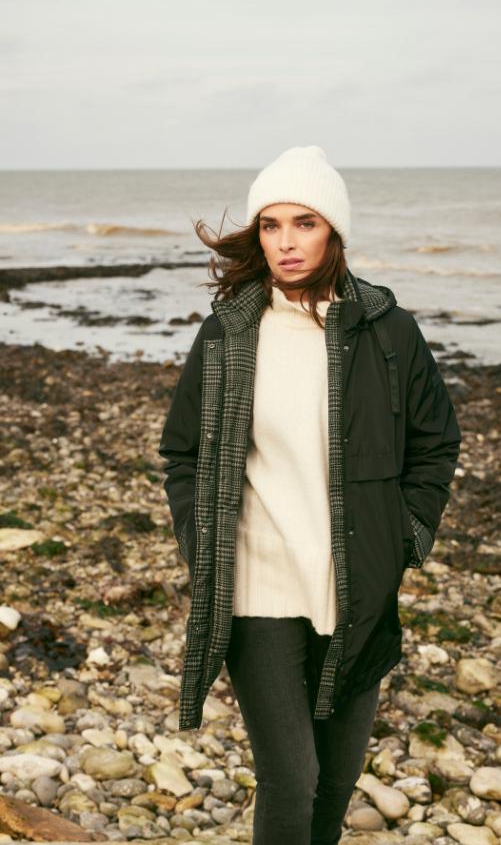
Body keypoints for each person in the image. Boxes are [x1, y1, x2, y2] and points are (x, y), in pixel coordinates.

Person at [158, 145, 462, 845]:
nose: (285, 242)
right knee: (292, 778)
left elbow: (435, 443)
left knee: (336, 779)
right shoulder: (229, 332)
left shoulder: (388, 332)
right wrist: (202, 541)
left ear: (334, 232)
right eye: (270, 225)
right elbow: (181, 451)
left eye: (304, 223)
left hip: (356, 583)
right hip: (257, 583)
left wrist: (406, 535)